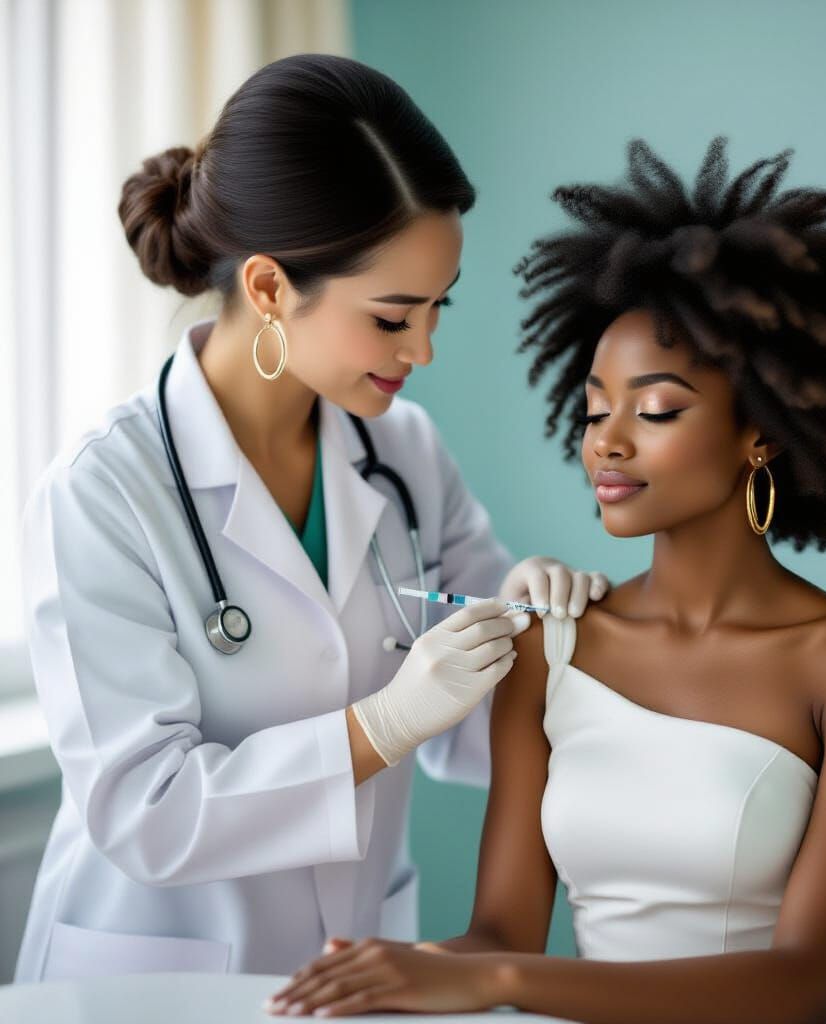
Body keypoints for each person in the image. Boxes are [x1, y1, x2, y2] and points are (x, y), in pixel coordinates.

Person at [267, 135, 826, 1023]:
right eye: (593, 409)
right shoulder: (548, 645)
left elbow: (802, 985)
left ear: (765, 431)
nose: (606, 442)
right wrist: (404, 967)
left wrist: (500, 982)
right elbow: (501, 933)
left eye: (656, 409)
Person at [13, 53, 609, 984]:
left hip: (350, 961)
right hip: (155, 981)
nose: (424, 347)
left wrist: (530, 628)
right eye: (391, 317)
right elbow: (147, 811)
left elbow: (478, 726)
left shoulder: (404, 454)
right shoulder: (105, 490)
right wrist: (385, 720)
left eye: (437, 307)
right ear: (266, 289)